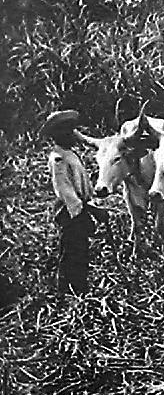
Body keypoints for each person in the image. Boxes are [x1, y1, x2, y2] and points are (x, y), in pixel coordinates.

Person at [42, 110, 97, 293]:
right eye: (68, 131)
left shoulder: (70, 154)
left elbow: (81, 186)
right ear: (59, 135)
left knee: (80, 250)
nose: (74, 134)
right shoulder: (58, 159)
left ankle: (78, 287)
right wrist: (81, 213)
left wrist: (91, 207)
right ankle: (69, 290)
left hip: (79, 208)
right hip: (70, 212)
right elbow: (65, 190)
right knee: (72, 251)